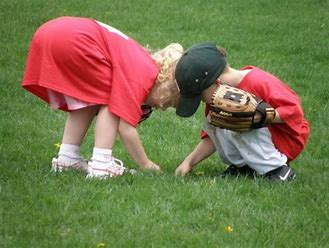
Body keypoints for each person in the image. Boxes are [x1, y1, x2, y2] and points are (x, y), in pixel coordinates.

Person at [22, 16, 183, 178]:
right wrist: (146, 164)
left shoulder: (140, 63)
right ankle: (102, 164)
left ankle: (67, 157)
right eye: (166, 102)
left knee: (92, 96)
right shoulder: (141, 76)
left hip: (52, 33)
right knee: (112, 98)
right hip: (73, 40)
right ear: (163, 83)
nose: (161, 107)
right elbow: (125, 128)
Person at [174, 43, 310, 182]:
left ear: (217, 82)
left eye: (201, 96)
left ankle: (278, 170)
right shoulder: (216, 100)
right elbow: (211, 137)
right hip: (265, 139)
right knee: (214, 119)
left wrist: (262, 115)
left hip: (287, 138)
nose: (202, 101)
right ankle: (245, 167)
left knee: (239, 117)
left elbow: (295, 112)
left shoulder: (258, 81)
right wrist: (189, 162)